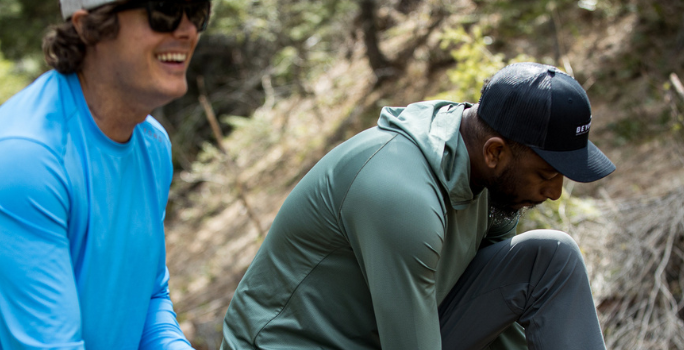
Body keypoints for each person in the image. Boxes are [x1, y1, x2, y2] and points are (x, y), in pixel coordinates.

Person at [220, 62, 615, 350]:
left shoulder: (488, 178)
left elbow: (501, 307)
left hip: (391, 334)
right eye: (547, 174)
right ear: (495, 152)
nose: (555, 192)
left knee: (550, 257)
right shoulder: (402, 196)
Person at [0, 0, 211, 348]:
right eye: (164, 13)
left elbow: (150, 300)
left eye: (198, 11)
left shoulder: (152, 145)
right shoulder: (23, 159)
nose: (186, 30)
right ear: (88, 26)